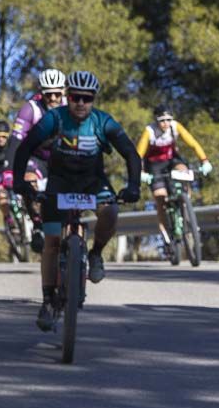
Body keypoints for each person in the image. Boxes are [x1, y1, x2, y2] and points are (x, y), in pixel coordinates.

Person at [11, 70, 142, 330]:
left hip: (92, 182)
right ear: (67, 97)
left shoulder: (103, 121)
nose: (80, 103)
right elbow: (25, 147)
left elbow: (130, 153)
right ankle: (47, 301)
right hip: (59, 182)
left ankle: (95, 254)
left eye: (86, 98)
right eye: (75, 97)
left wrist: (134, 186)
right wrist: (18, 181)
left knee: (111, 212)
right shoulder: (54, 118)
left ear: (93, 99)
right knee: (51, 242)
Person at [6, 68, 67, 252]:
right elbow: (16, 141)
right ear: (42, 93)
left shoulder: (71, 105)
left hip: (62, 156)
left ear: (63, 92)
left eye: (58, 93)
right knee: (29, 179)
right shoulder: (30, 109)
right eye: (49, 95)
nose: (54, 99)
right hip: (36, 157)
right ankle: (38, 224)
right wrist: (10, 172)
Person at [136, 106, 212, 250]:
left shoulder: (175, 127)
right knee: (160, 198)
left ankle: (185, 206)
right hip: (154, 165)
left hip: (172, 161)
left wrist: (205, 161)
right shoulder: (149, 131)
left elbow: (193, 144)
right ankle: (165, 234)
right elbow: (138, 154)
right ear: (156, 120)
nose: (166, 123)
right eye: (162, 120)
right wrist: (141, 173)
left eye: (169, 120)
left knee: (184, 172)